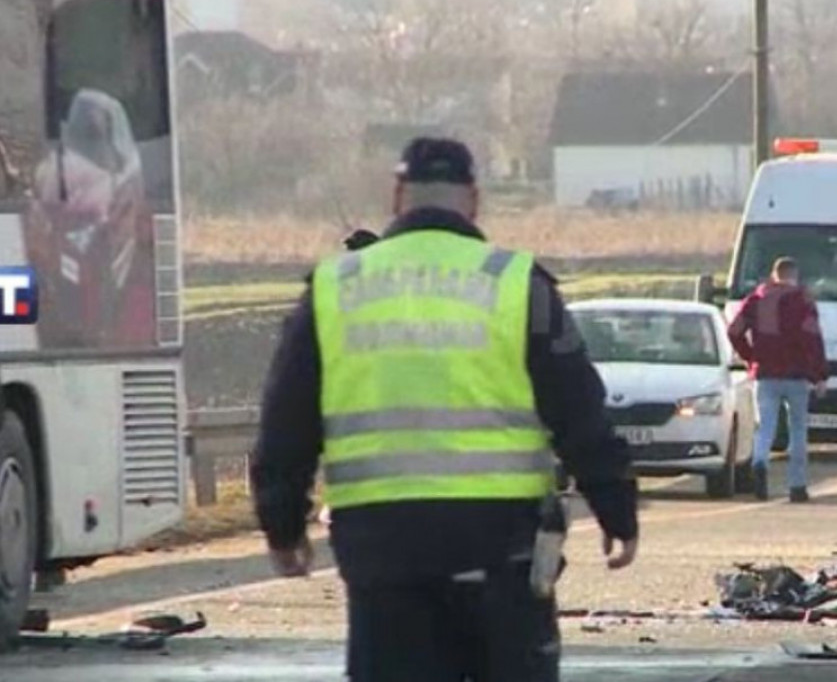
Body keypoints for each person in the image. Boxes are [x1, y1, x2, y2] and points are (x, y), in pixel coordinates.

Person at [250, 137, 640, 682]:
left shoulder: (335, 287)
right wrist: (615, 507)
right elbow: (578, 408)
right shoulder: (515, 283)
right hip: (500, 542)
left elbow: (286, 420)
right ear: (474, 199)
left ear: (397, 196)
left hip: (382, 545)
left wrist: (282, 525)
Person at [727, 256, 828, 503]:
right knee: (797, 430)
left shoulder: (757, 299)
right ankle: (797, 486)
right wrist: (819, 375)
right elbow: (813, 339)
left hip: (766, 373)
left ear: (774, 275)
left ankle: (760, 461)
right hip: (796, 374)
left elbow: (734, 330)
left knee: (766, 426)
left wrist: (750, 357)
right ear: (794, 276)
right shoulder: (803, 301)